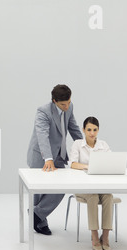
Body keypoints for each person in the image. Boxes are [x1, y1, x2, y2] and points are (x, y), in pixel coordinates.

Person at [27, 84, 83, 235]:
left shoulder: (69, 108)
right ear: (54, 101)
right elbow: (42, 135)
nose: (66, 106)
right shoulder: (43, 111)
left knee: (61, 187)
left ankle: (36, 215)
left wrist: (85, 147)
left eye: (69, 102)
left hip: (60, 155)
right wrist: (48, 158)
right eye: (63, 104)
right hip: (41, 155)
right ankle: (40, 221)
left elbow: (74, 128)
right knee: (39, 191)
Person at [70, 116, 113, 250]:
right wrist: (88, 167)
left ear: (98, 130)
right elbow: (73, 164)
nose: (92, 133)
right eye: (89, 129)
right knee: (93, 197)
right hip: (82, 187)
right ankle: (94, 235)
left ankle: (105, 236)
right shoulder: (78, 144)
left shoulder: (103, 145)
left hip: (100, 185)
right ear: (83, 130)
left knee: (108, 196)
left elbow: (111, 162)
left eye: (95, 130)